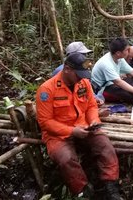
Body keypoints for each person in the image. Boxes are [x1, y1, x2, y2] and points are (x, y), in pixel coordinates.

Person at [36, 53, 121, 199]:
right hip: (57, 134)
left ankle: (110, 186)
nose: (81, 78)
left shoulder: (84, 83)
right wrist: (71, 131)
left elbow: (91, 106)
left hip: (84, 127)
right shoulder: (46, 90)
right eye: (78, 74)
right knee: (66, 159)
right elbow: (45, 122)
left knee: (105, 146)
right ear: (67, 69)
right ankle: (82, 191)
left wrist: (94, 120)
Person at [91, 37, 133, 104]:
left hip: (114, 84)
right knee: (130, 96)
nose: (128, 51)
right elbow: (118, 82)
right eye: (127, 50)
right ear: (118, 53)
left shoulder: (119, 58)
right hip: (103, 89)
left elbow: (132, 71)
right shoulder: (106, 63)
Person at [52, 41, 105, 106]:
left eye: (85, 55)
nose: (84, 57)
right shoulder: (61, 71)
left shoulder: (83, 68)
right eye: (82, 54)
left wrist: (95, 99)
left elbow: (87, 89)